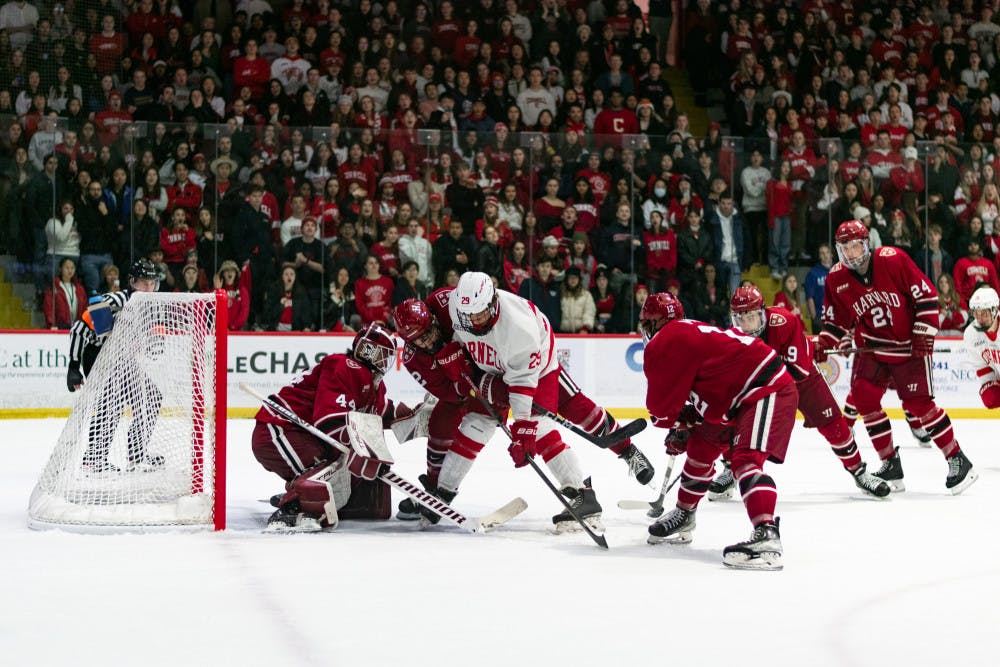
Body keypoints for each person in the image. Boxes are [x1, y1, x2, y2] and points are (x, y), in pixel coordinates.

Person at [814, 220, 977, 495]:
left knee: (919, 405)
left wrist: (923, 334)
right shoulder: (836, 279)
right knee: (864, 398)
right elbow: (836, 321)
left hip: (908, 346)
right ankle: (890, 463)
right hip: (873, 349)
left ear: (866, 243)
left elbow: (927, 297)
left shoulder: (893, 259)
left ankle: (957, 459)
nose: (852, 254)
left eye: (856, 246)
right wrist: (824, 344)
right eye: (845, 248)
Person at [640, 291, 796, 570]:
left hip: (763, 387)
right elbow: (706, 388)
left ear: (651, 325)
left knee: (745, 461)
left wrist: (675, 425)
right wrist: (687, 423)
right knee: (702, 446)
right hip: (735, 397)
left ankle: (767, 535)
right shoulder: (688, 333)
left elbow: (660, 410)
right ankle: (685, 513)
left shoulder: (666, 341)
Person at [440, 272, 604, 530]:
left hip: (537, 368)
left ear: (493, 302)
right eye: (468, 315)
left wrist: (523, 428)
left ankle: (583, 495)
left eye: (480, 313)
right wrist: (457, 352)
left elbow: (522, 384)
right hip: (494, 366)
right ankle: (442, 493)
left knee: (540, 429)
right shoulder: (458, 306)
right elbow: (462, 337)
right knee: (476, 423)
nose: (474, 320)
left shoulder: (519, 328)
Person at [714, 285, 889, 498]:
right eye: (738, 319)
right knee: (727, 419)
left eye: (750, 317)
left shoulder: (784, 321)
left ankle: (859, 472)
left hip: (802, 378)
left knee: (834, 425)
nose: (745, 325)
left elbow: (797, 370)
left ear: (762, 312)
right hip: (763, 386)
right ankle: (731, 468)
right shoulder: (732, 337)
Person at [251, 323, 416, 532]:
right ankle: (293, 507)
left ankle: (303, 495)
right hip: (280, 429)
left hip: (301, 435)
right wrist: (365, 449)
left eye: (388, 356)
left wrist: (413, 413)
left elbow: (381, 411)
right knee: (333, 470)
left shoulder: (372, 381)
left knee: (339, 468)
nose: (384, 361)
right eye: (381, 354)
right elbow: (329, 421)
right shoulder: (345, 365)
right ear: (366, 350)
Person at [65, 258, 164, 473]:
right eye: (144, 283)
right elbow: (80, 329)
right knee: (112, 400)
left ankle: (137, 454)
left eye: (152, 283)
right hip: (98, 356)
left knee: (152, 396)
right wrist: (74, 366)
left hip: (122, 359)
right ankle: (93, 459)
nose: (149, 288)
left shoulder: (149, 308)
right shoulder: (116, 300)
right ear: (132, 282)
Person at [963, 287, 1000, 409]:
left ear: (995, 310)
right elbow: (982, 365)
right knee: (989, 397)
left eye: (983, 313)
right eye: (976, 313)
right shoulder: (971, 334)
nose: (979, 319)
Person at [803, 243, 833, 334]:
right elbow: (809, 297)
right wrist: (814, 317)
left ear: (832, 254)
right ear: (819, 256)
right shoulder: (813, 273)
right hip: (820, 316)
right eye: (822, 253)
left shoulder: (839, 270)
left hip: (837, 316)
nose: (825, 255)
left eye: (827, 252)